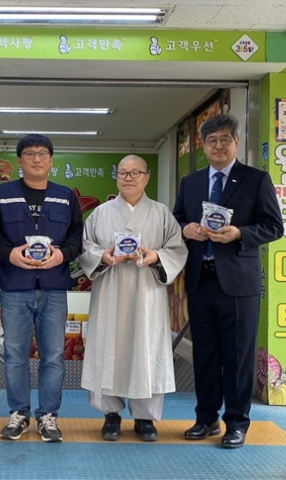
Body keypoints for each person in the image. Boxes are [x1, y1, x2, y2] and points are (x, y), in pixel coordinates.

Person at [173, 114, 283, 449]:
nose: (218, 146)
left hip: (238, 283)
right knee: (205, 353)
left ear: (235, 142)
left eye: (224, 139)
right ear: (203, 145)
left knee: (237, 355)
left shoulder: (255, 180)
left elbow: (273, 226)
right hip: (200, 280)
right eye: (212, 140)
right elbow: (177, 219)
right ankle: (206, 418)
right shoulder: (191, 183)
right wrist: (186, 229)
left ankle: (236, 423)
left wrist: (239, 234)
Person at [80, 155, 188, 442]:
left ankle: (145, 417)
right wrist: (103, 256)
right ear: (116, 177)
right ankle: (111, 414)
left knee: (147, 349)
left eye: (135, 173)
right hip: (110, 290)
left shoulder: (162, 213)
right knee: (108, 347)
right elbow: (86, 247)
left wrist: (156, 256)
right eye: (123, 173)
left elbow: (177, 249)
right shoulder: (100, 214)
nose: (128, 178)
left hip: (147, 293)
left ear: (146, 177)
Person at [0, 134, 83, 443]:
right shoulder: (3, 194)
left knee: (53, 356)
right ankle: (19, 414)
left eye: (42, 154)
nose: (36, 159)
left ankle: (48, 416)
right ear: (19, 161)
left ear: (51, 160)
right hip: (15, 286)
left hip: (54, 287)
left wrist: (62, 255)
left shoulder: (65, 196)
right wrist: (8, 253)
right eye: (29, 154)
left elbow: (77, 235)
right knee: (15, 355)